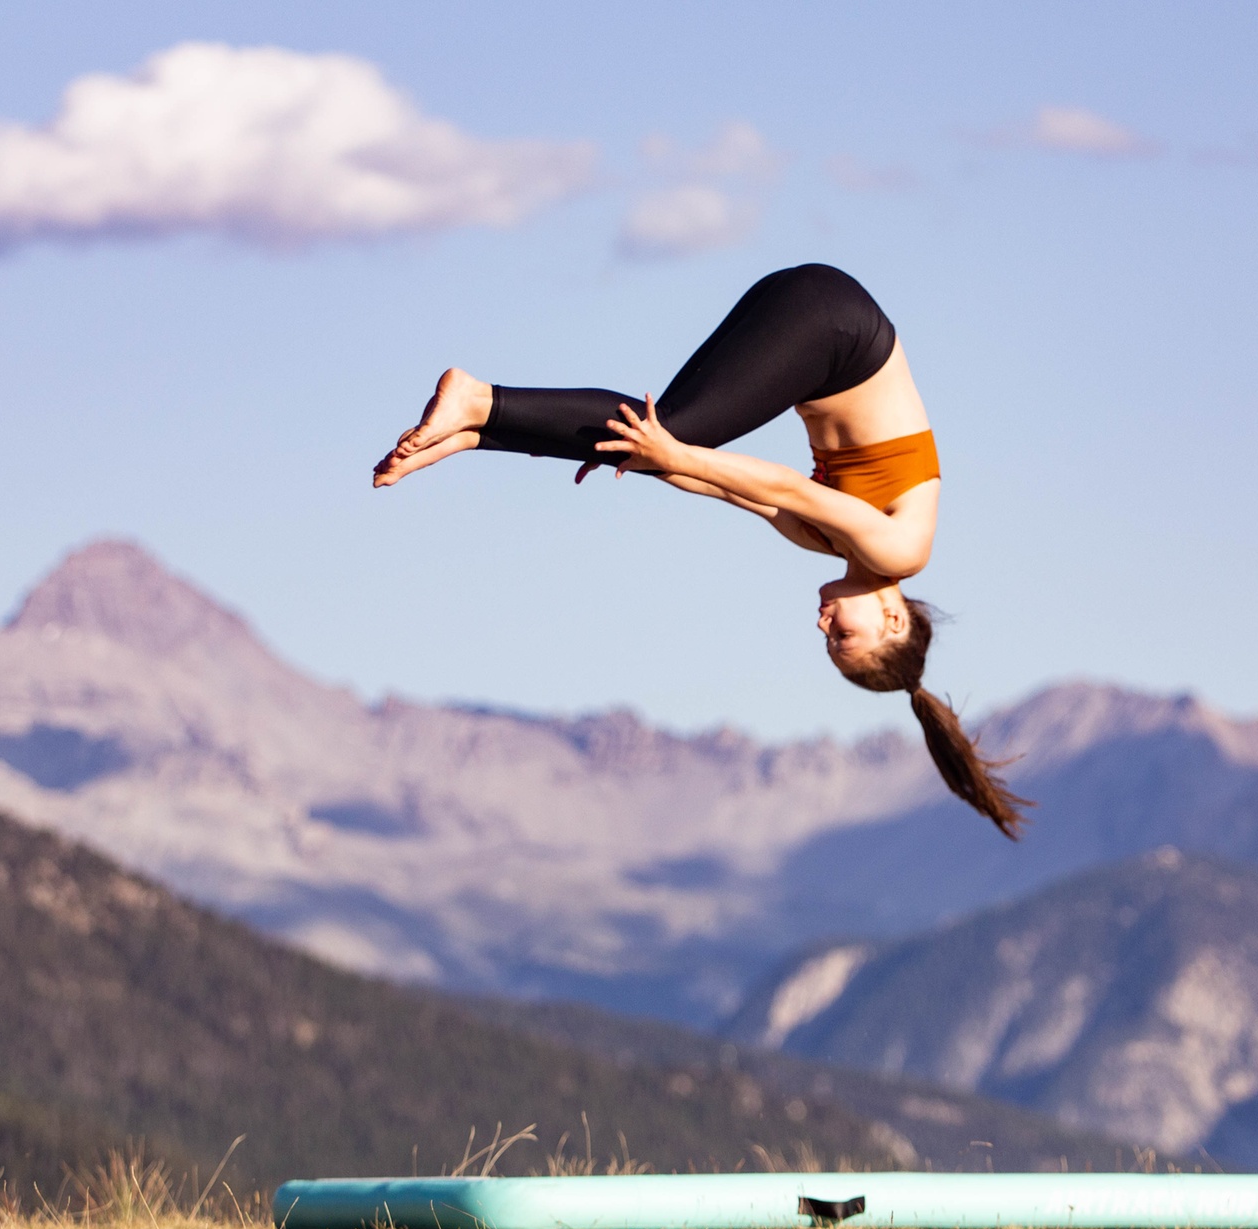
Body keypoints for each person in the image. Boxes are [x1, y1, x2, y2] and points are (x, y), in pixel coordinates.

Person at [372, 264, 1029, 837]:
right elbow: (771, 481)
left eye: (827, 641)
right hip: (835, 325)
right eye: (841, 638)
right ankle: (478, 400)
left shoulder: (825, 544)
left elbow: (723, 488)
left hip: (816, 323)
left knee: (658, 442)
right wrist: (672, 454)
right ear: (892, 621)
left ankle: (477, 429)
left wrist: (656, 463)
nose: (823, 625)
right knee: (674, 434)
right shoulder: (900, 548)